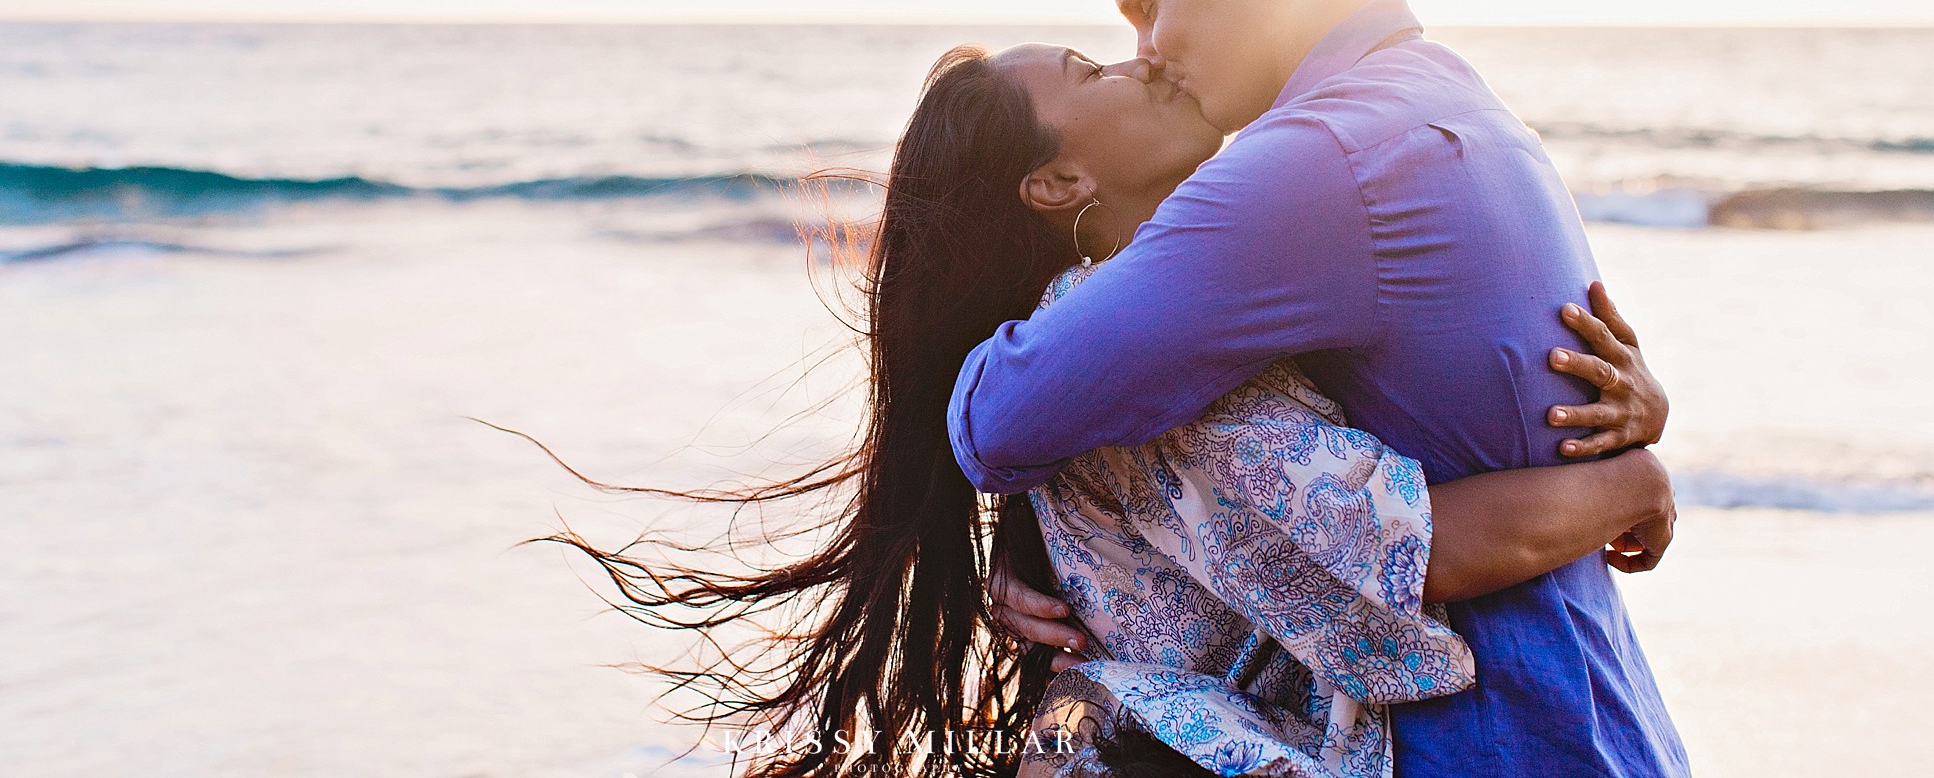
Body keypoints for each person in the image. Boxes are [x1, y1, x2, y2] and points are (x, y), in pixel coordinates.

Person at [556, 40, 1672, 778]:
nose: (1141, 55)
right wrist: (1636, 477)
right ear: (1055, 185)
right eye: (1092, 68)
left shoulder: (1154, 329)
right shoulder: (1142, 370)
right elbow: (1410, 551)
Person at [948, 0, 1689, 777]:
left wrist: (1643, 479)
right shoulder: (1454, 98)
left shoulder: (1311, 162)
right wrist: (1038, 546)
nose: (1147, 53)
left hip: (1482, 738)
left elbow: (998, 417)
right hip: (1603, 719)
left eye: (1148, 4)